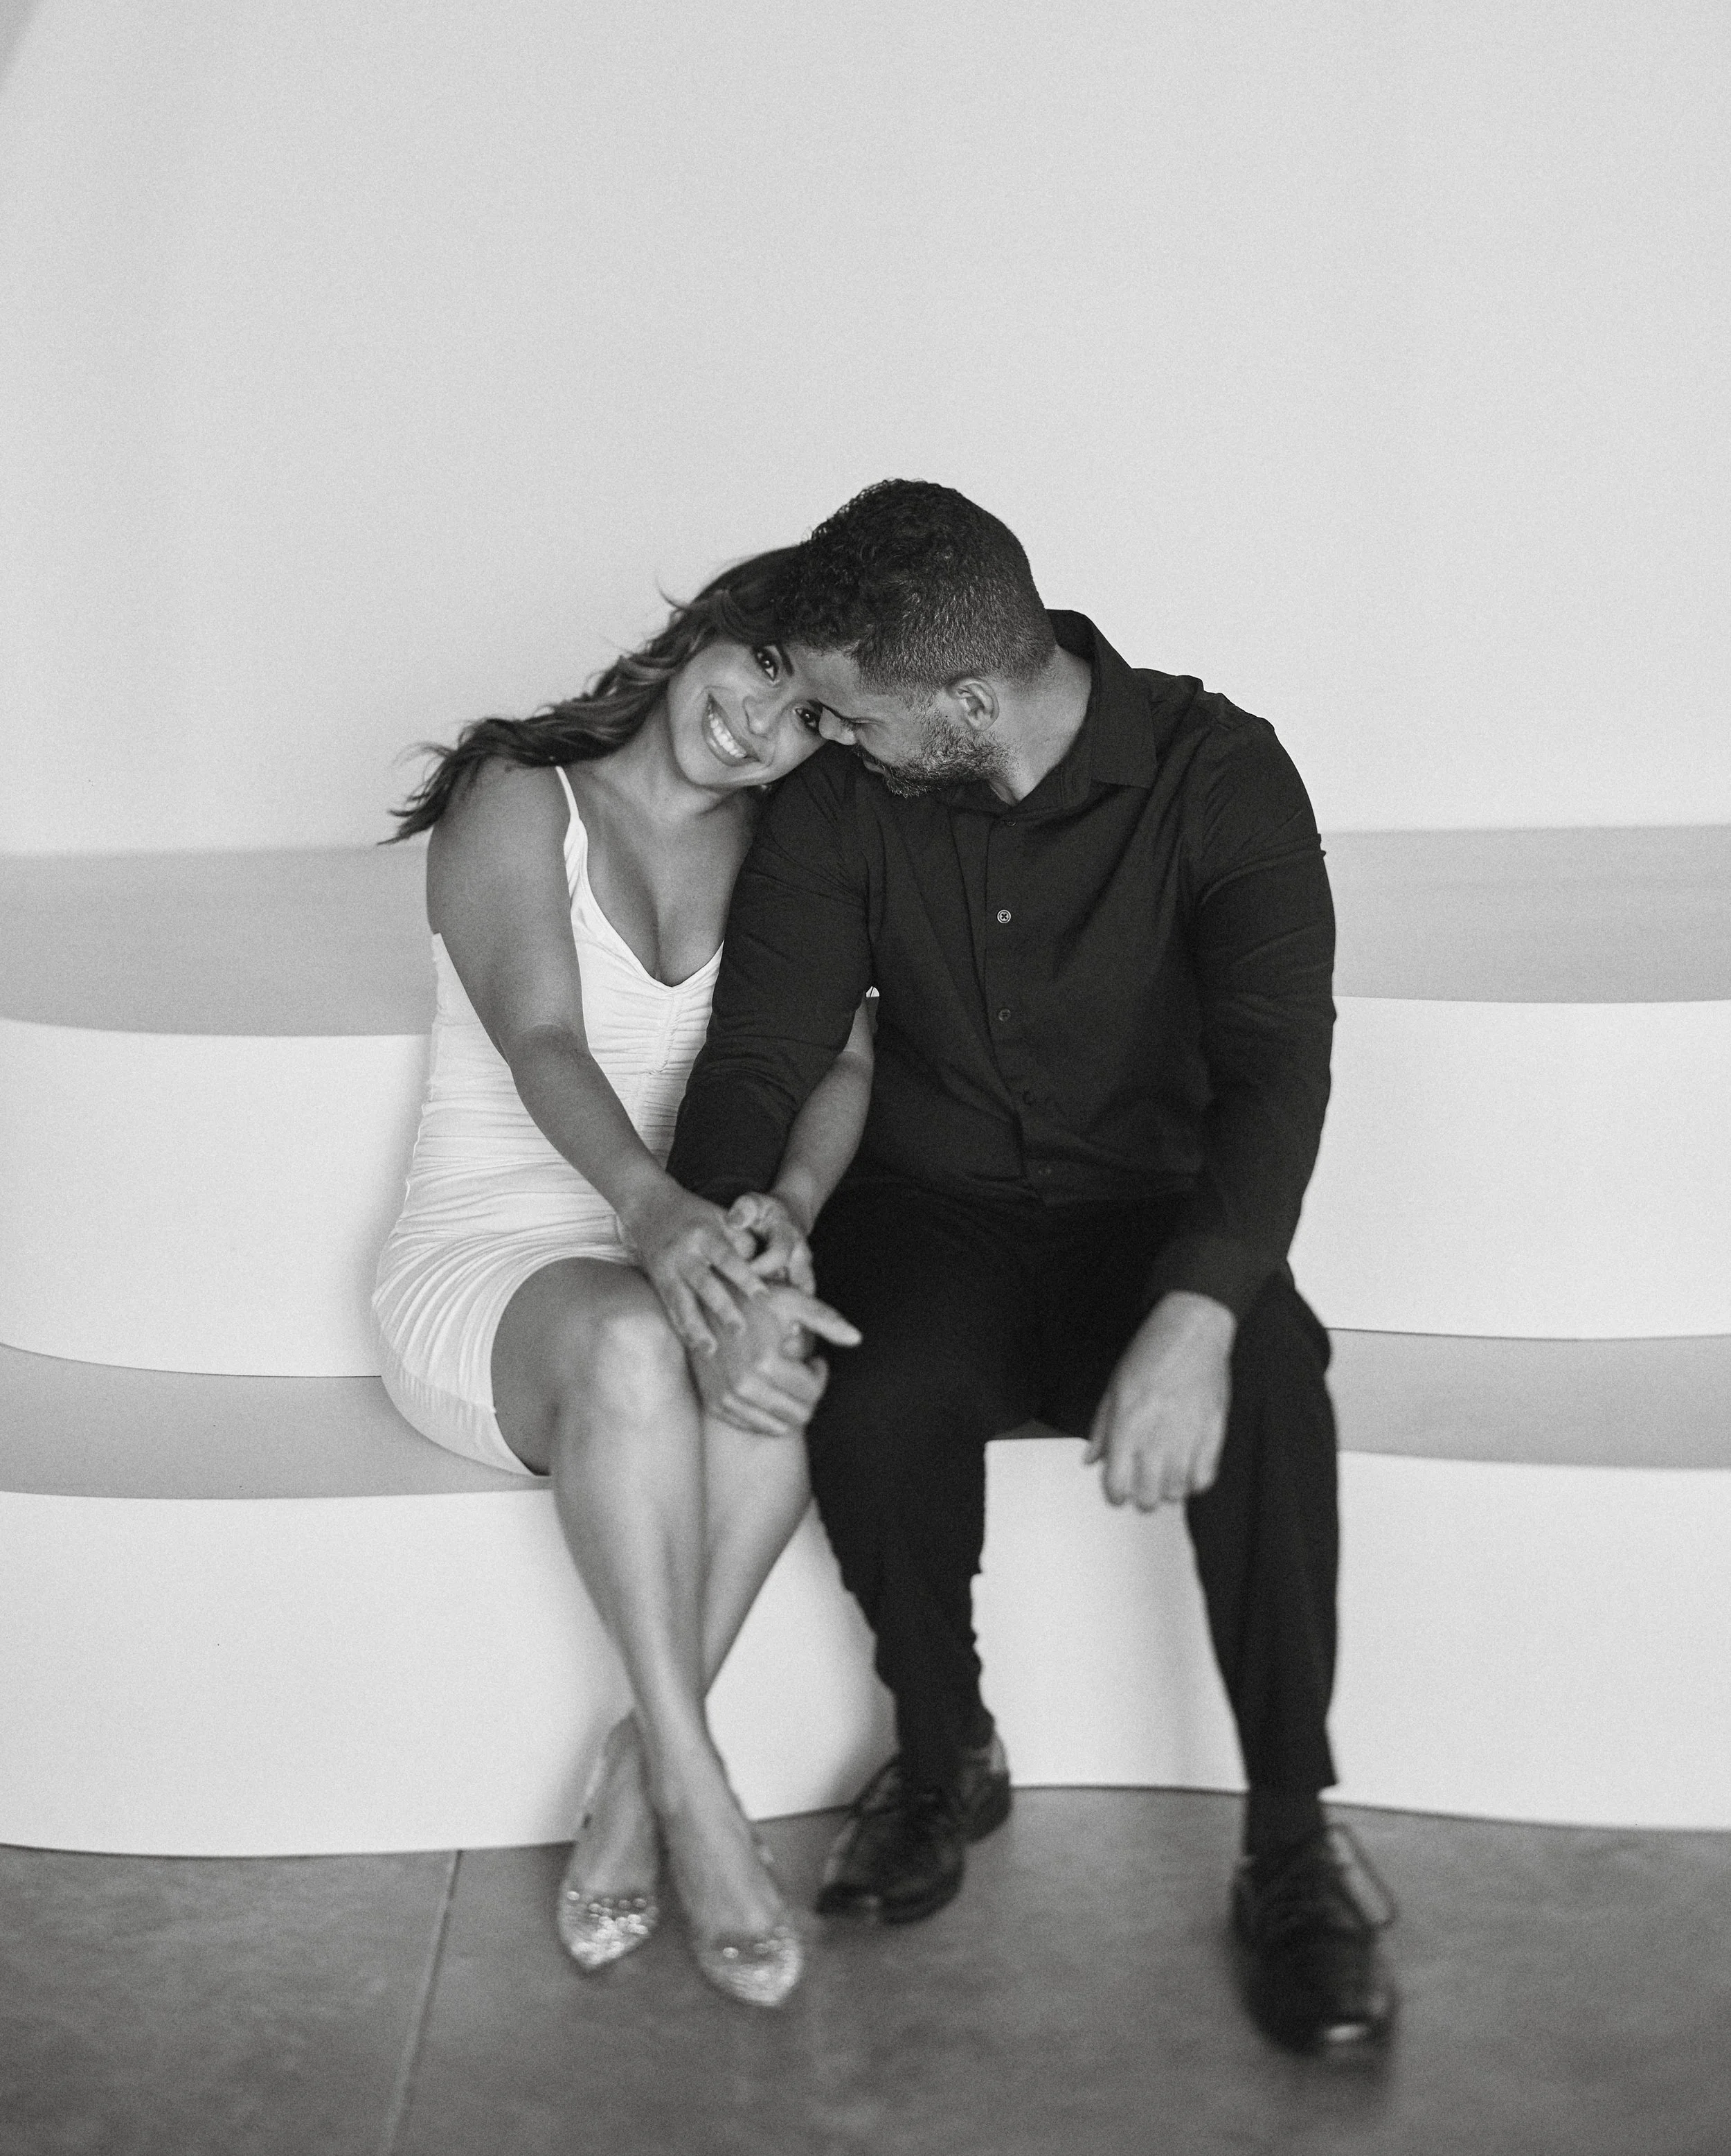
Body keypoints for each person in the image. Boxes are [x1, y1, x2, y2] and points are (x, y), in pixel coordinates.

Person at [667, 481, 1397, 2058]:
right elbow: (762, 1049)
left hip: (1154, 1208)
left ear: (969, 701)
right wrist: (736, 1232)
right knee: (867, 1382)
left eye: (852, 715)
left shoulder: (1219, 772)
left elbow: (1280, 1066)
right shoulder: (850, 799)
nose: (827, 740)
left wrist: (1198, 1308)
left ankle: (1290, 1837)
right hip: (932, 1211)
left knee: (1273, 1371)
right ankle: (942, 1753)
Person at [375, 550, 870, 2009]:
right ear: (703, 629)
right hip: (492, 1255)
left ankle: (628, 1775)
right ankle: (698, 1797)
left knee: (786, 1350)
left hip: (674, 1239)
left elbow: (841, 1058)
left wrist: (782, 1203)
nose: (759, 722)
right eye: (758, 668)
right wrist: (654, 1213)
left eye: (807, 719)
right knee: (639, 1349)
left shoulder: (789, 848)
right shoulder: (518, 791)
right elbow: (541, 1039)